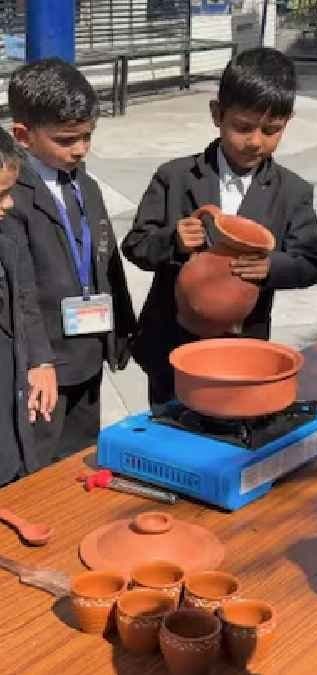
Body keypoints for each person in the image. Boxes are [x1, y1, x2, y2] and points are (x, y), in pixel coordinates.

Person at [122, 48, 317, 407]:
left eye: (271, 130)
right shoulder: (175, 177)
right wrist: (173, 242)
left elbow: (313, 262)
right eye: (243, 127)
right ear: (218, 114)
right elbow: (136, 244)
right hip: (172, 339)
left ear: (288, 122)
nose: (256, 141)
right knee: (172, 432)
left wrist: (271, 267)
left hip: (242, 344)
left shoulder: (293, 192)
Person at [6, 58, 136, 464]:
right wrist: (37, 359)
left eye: (87, 137)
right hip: (41, 362)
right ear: (24, 136)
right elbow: (20, 292)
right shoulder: (12, 198)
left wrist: (123, 330)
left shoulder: (85, 184)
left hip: (88, 349)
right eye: (66, 140)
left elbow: (106, 260)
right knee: (42, 462)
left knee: (82, 454)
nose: (80, 150)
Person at [0, 127, 57, 485]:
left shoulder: (7, 240)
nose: (9, 203)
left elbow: (24, 301)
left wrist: (39, 360)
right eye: (1, 194)